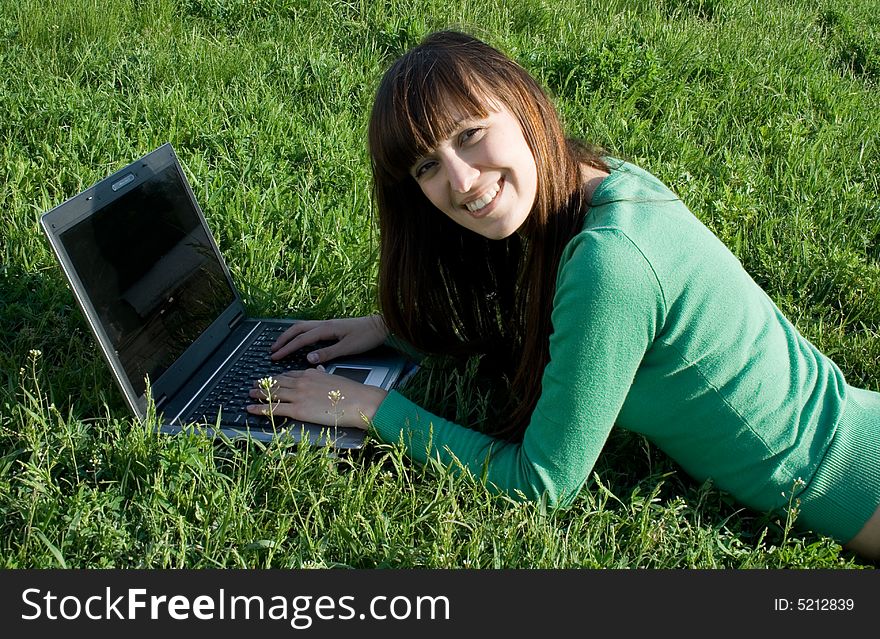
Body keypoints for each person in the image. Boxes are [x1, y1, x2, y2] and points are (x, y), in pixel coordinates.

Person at [246, 30, 880, 560]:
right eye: (426, 166)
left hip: (852, 481)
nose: (462, 181)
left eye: (469, 134)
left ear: (523, 104)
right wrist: (394, 326)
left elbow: (540, 485)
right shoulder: (601, 187)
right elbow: (537, 318)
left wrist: (370, 410)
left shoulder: (612, 265)